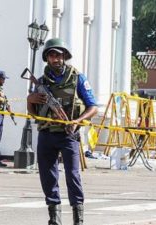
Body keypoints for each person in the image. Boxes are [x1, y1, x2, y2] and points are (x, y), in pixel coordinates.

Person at [27, 38, 98, 225]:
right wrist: (31, 99)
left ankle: (78, 219)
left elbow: (93, 107)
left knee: (73, 175)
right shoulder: (41, 82)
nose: (55, 59)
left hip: (69, 134)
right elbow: (34, 114)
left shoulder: (77, 78)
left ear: (64, 56)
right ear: (47, 58)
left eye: (58, 55)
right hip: (47, 134)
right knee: (47, 176)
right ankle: (54, 219)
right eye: (51, 55)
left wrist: (77, 121)